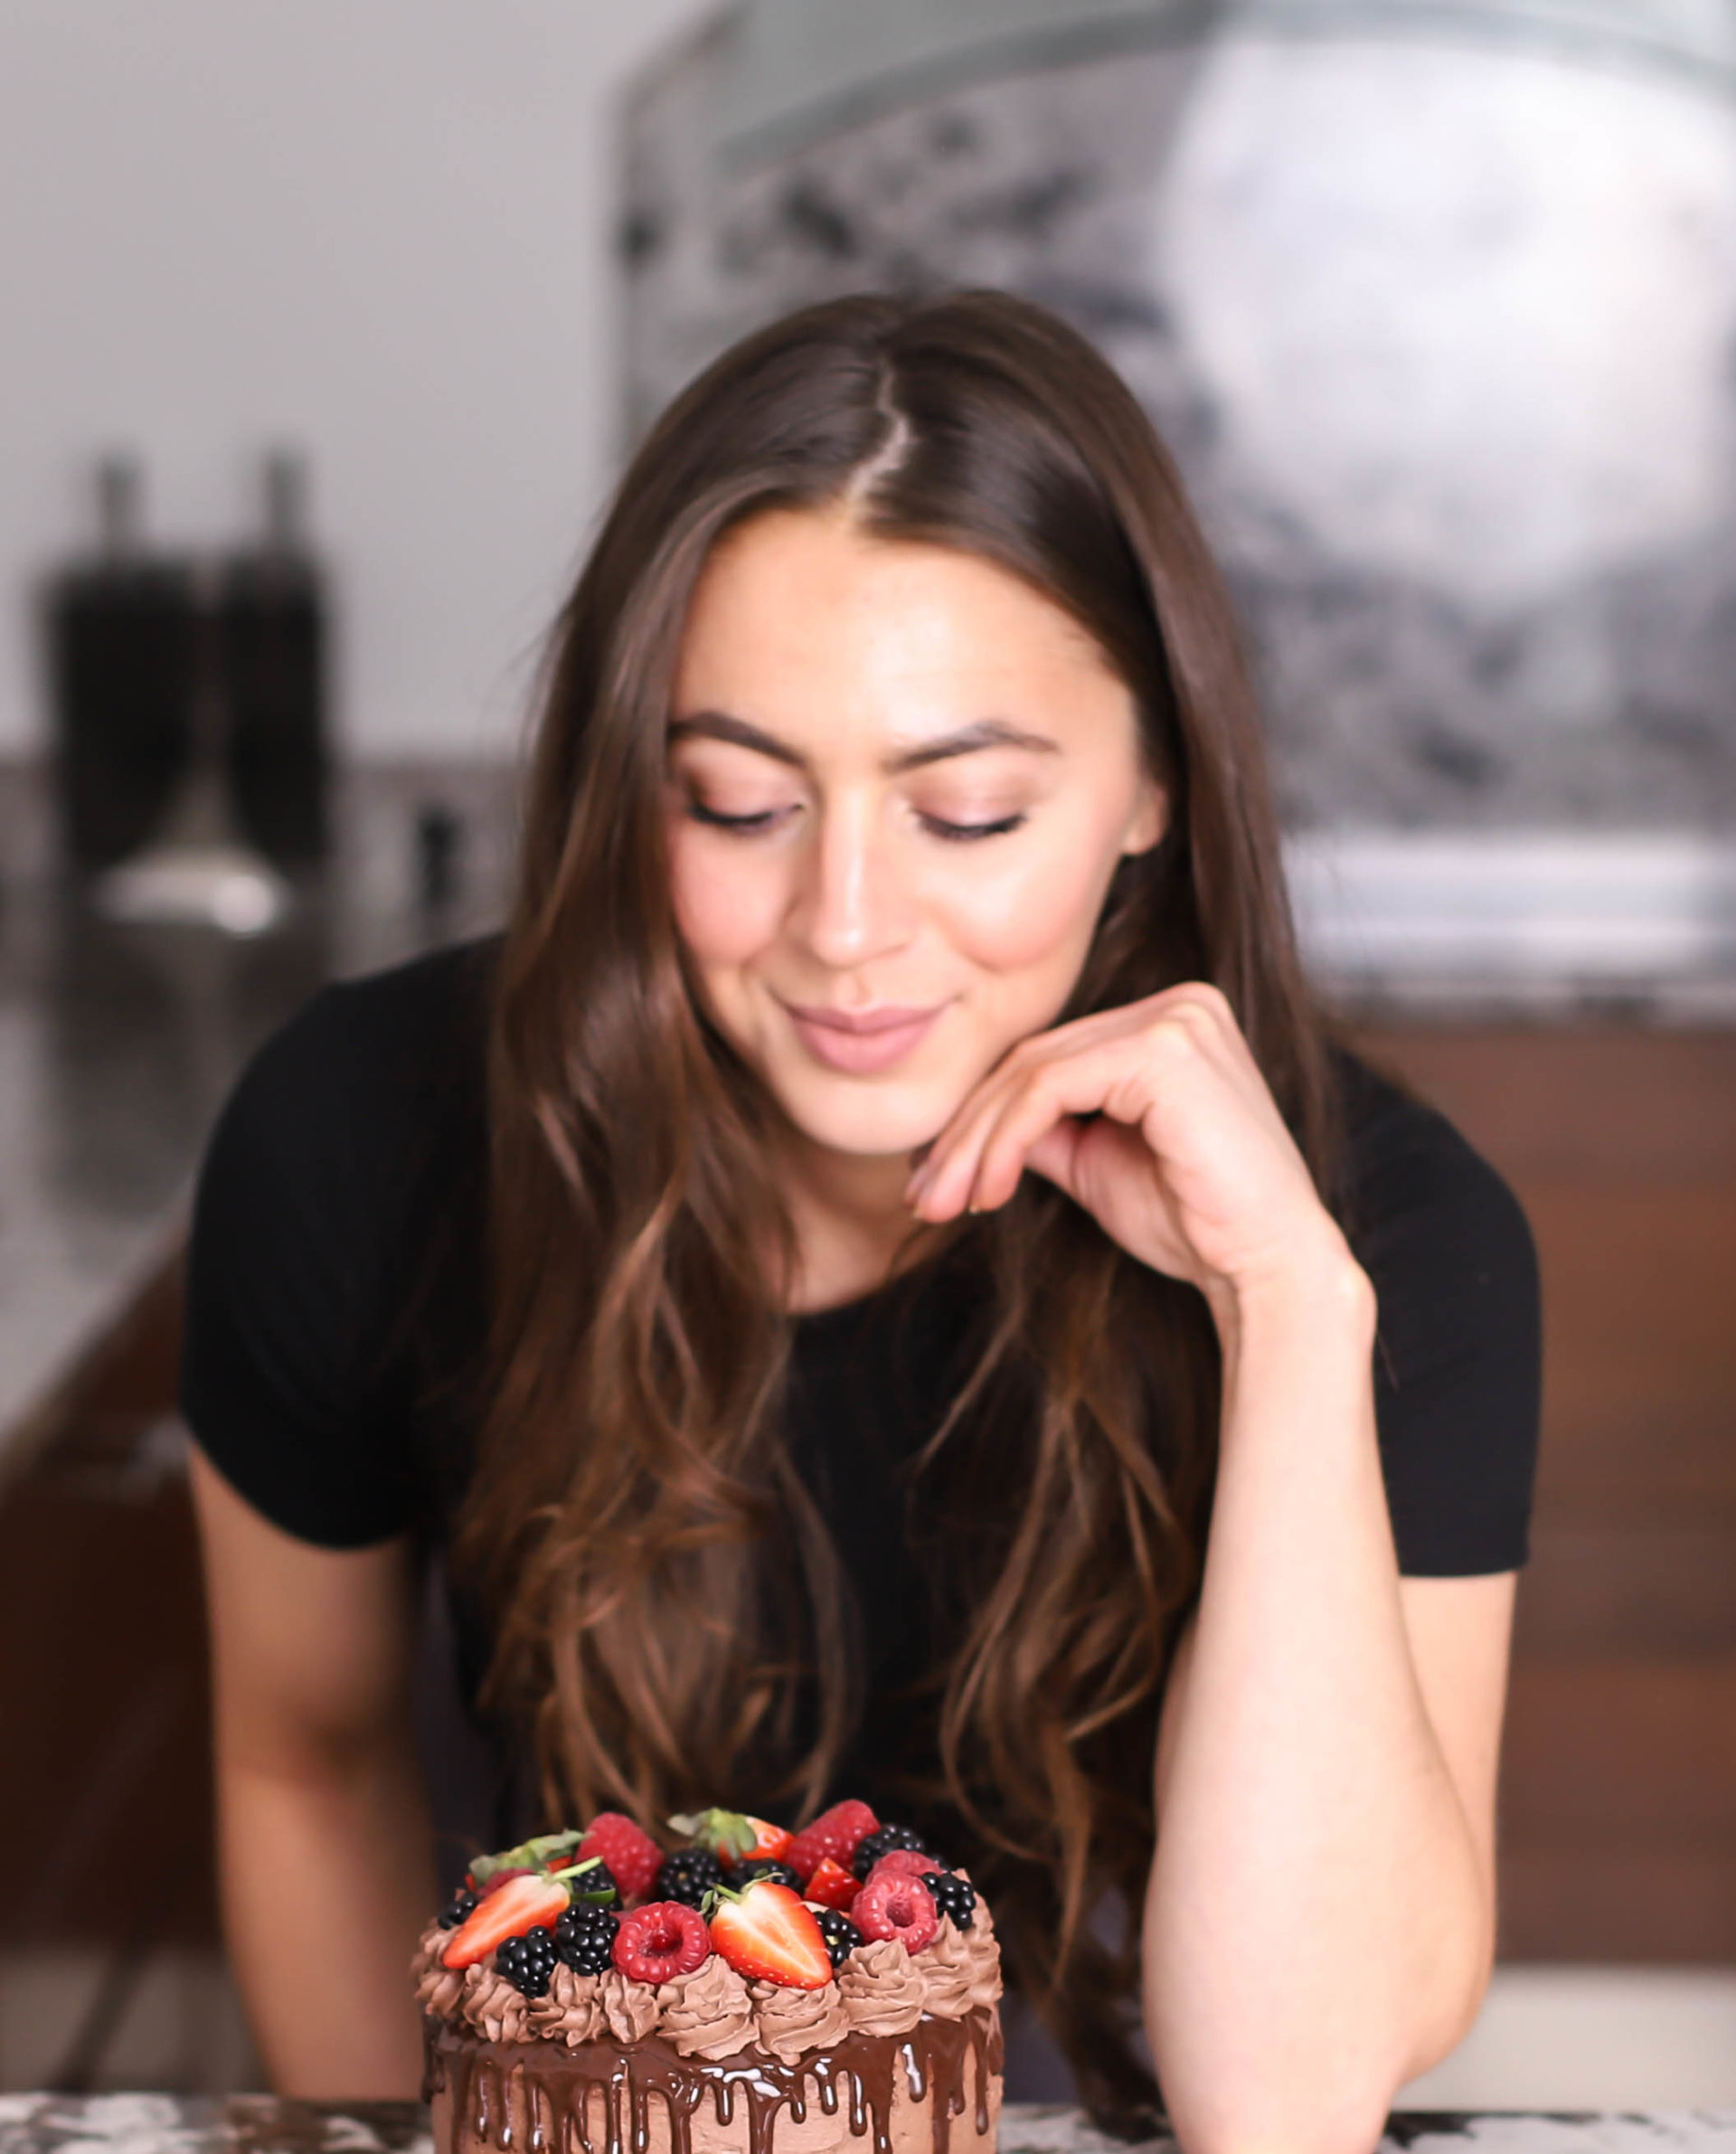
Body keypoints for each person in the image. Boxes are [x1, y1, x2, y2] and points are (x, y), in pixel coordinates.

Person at [184, 291, 1538, 2153]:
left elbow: (1293, 2094)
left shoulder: (1394, 1234)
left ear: (1153, 784)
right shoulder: (359, 1134)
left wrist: (1289, 1311)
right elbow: (305, 1760)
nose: (842, 925)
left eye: (965, 813)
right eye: (738, 803)